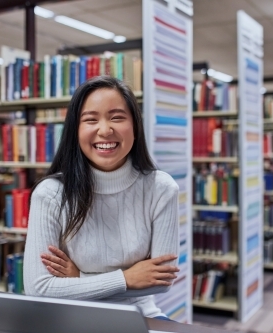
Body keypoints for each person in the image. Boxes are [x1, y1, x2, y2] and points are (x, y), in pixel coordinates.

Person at [23, 75, 180, 320]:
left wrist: (79, 279)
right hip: (70, 318)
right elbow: (39, 289)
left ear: (135, 128)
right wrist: (127, 278)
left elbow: (160, 282)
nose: (105, 130)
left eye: (117, 117)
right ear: (75, 131)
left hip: (139, 316)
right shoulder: (51, 193)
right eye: (90, 120)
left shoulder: (161, 188)